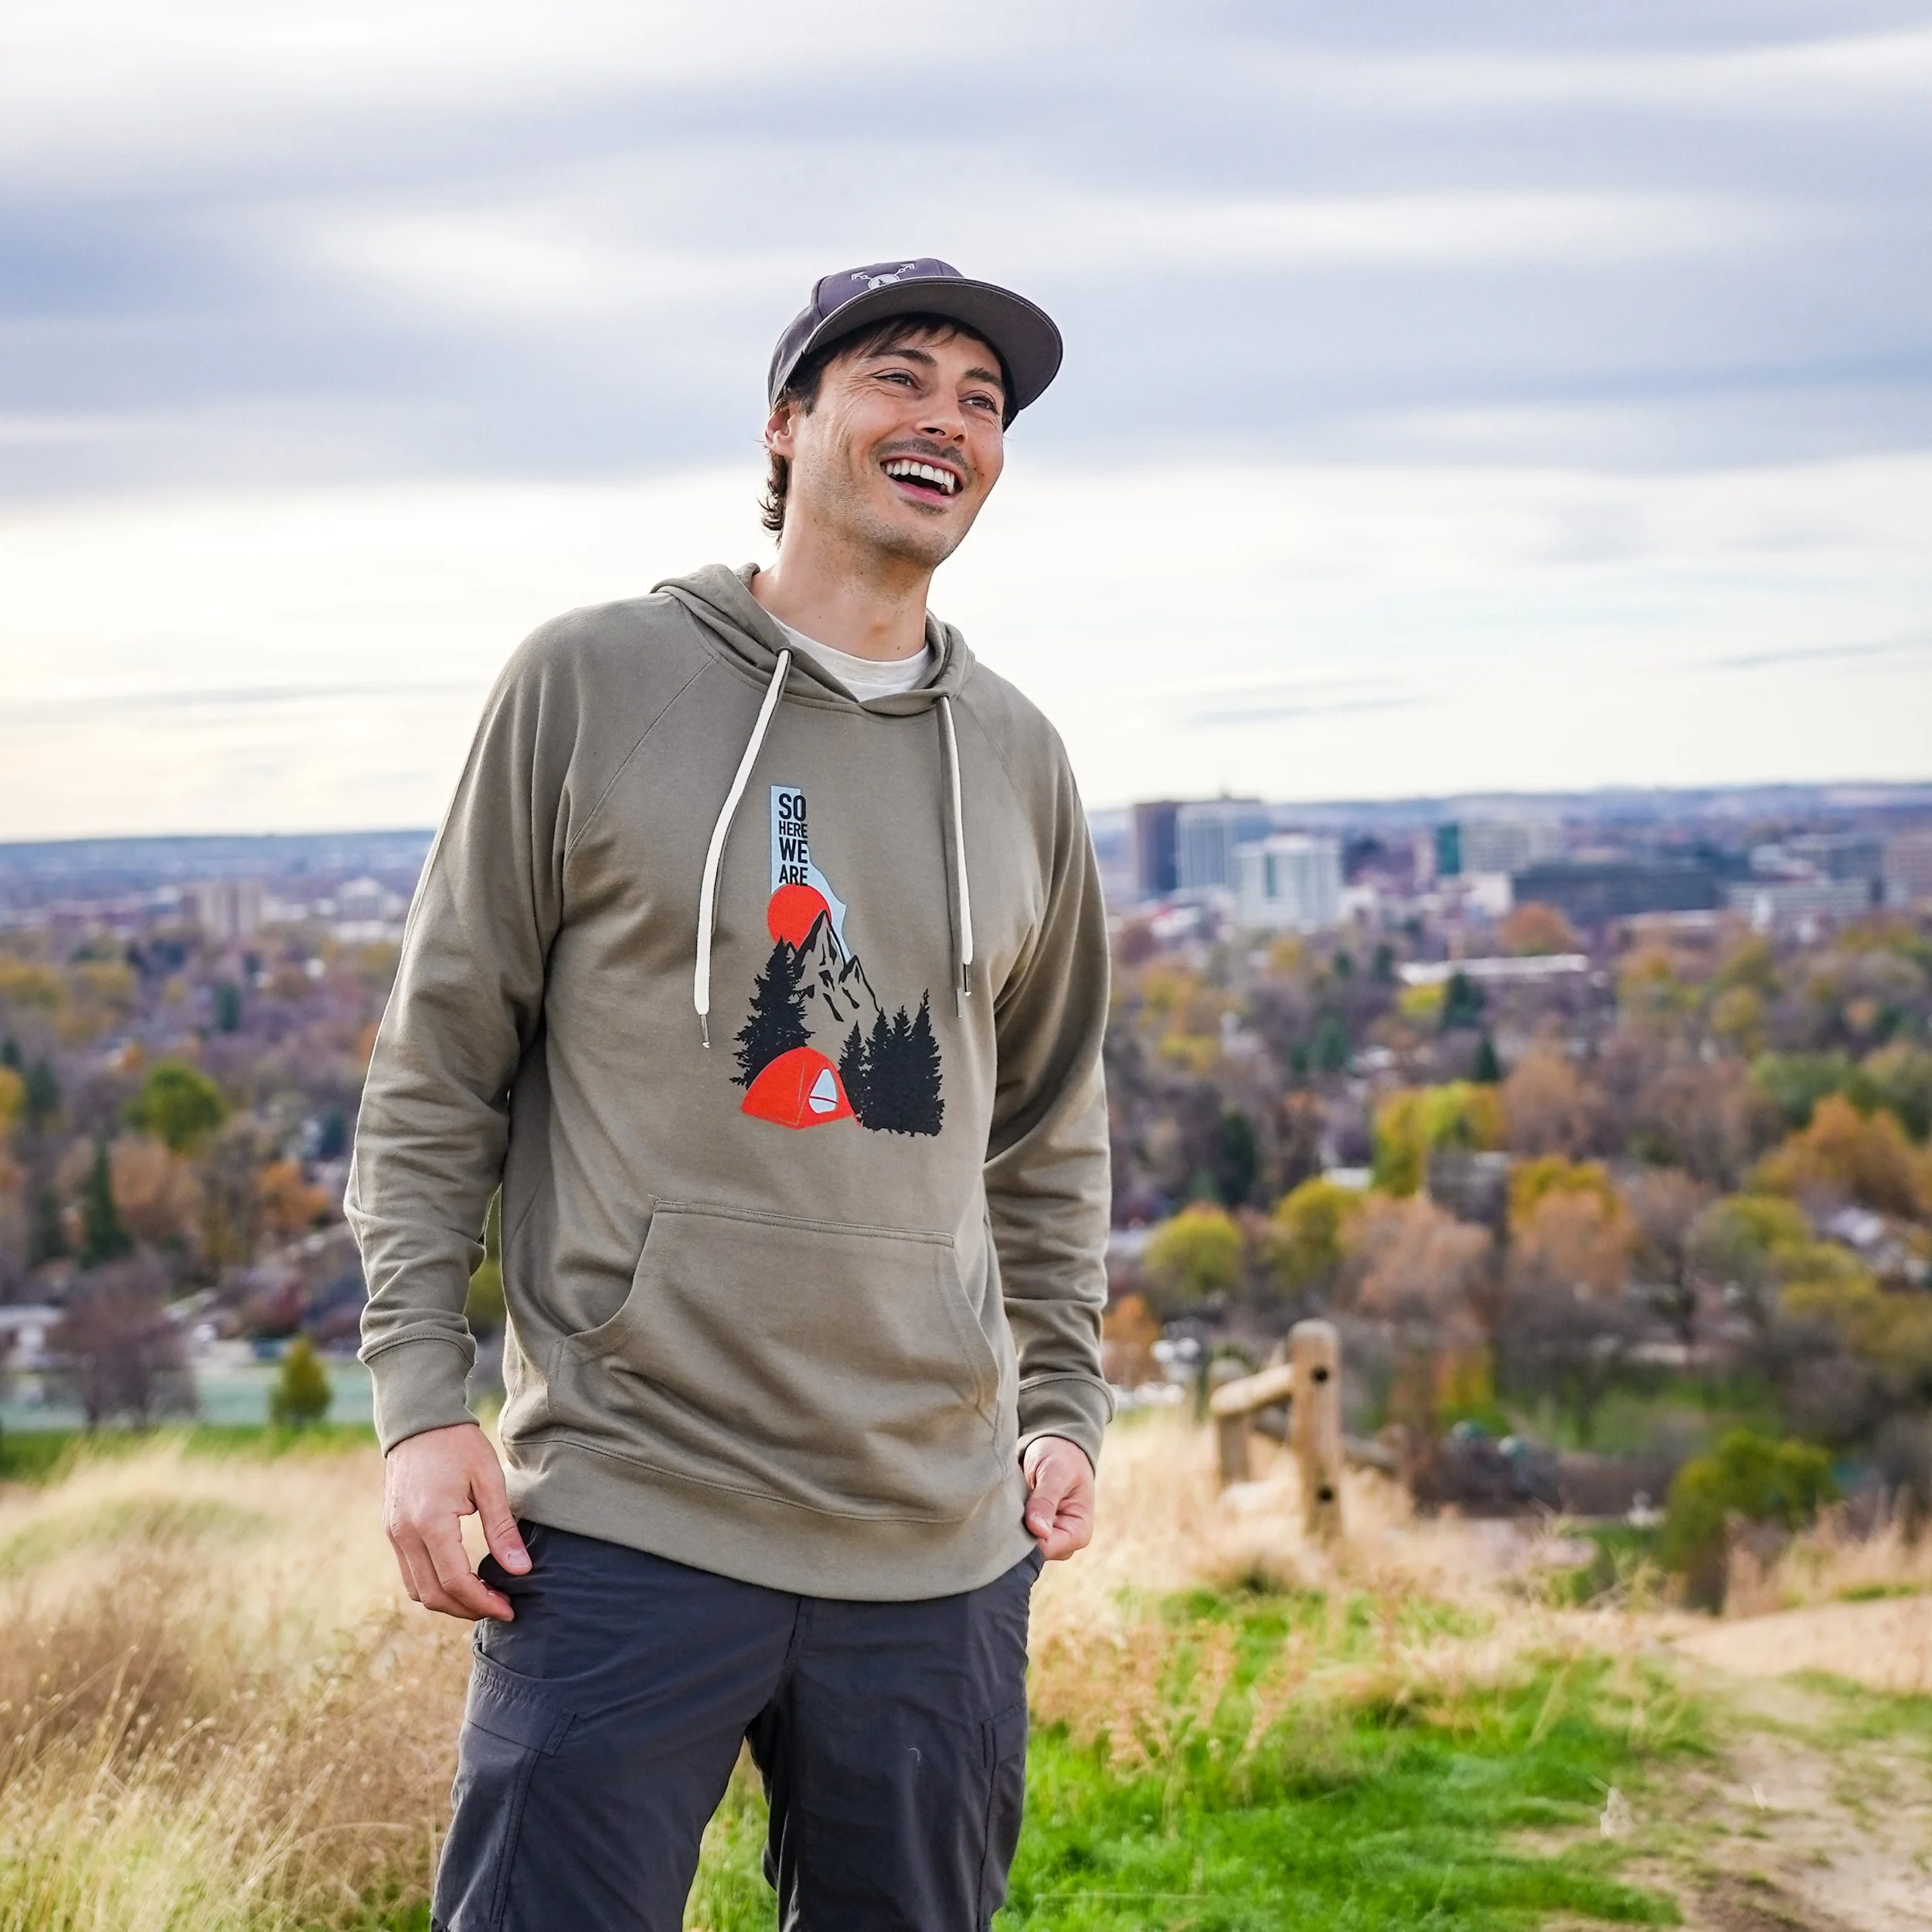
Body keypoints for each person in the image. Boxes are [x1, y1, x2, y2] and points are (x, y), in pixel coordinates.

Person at [348, 257, 1113, 1932]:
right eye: (899, 379)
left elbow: (1048, 1125)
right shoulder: (590, 681)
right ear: (788, 422)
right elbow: (438, 1066)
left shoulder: (1019, 757)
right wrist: (419, 1397)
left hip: (935, 1540)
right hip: (627, 1515)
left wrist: (1060, 1398)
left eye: (982, 402)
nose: (947, 422)